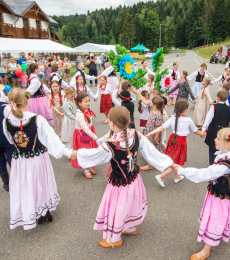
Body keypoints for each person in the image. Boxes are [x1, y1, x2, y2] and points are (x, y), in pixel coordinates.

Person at [74, 106, 174, 248]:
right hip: (134, 179)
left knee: (118, 208)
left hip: (119, 185)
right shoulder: (136, 134)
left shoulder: (110, 144)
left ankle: (115, 239)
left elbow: (94, 156)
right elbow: (152, 153)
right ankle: (130, 227)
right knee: (131, 203)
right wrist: (169, 162)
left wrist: (76, 153)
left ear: (112, 123)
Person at [3, 88, 74, 230]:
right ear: (26, 100)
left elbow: (11, 141)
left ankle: (32, 210)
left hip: (20, 161)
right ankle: (43, 211)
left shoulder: (7, 121)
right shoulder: (37, 119)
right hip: (37, 158)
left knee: (26, 185)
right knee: (40, 183)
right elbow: (51, 140)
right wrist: (67, 152)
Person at [173, 128, 230, 260]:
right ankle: (217, 234)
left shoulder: (225, 164)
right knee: (218, 218)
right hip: (222, 194)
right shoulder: (229, 155)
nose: (214, 139)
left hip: (221, 198)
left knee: (215, 219)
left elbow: (203, 174)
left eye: (217, 138)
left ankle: (206, 250)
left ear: (226, 144)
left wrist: (182, 171)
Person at [146, 99, 202, 187]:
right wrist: (202, 134)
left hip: (173, 140)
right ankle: (161, 176)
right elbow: (195, 131)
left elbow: (161, 128)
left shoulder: (173, 118)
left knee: (174, 160)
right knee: (177, 162)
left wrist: (149, 133)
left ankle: (177, 176)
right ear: (186, 110)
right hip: (181, 142)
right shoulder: (188, 120)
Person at [71, 93, 99, 179]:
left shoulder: (86, 110)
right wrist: (96, 137)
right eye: (85, 101)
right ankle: (86, 169)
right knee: (85, 152)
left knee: (90, 150)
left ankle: (89, 166)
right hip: (83, 135)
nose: (88, 103)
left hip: (88, 133)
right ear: (79, 103)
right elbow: (85, 128)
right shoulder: (79, 114)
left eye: (88, 101)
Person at [201, 90, 230, 165]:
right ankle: (220, 163)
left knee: (212, 149)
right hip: (224, 131)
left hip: (214, 131)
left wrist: (203, 130)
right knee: (222, 149)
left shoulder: (214, 107)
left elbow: (208, 119)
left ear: (218, 98)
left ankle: (212, 164)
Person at [140, 97, 164, 171]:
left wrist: (156, 138)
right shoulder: (152, 110)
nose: (149, 102)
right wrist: (137, 93)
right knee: (151, 148)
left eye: (151, 102)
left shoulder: (158, 115)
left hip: (153, 135)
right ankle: (157, 159)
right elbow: (144, 101)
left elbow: (158, 128)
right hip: (149, 132)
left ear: (155, 105)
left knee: (151, 148)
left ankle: (150, 165)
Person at [0, 84, 13, 191]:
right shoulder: (5, 107)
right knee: (11, 159)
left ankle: (6, 183)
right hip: (6, 138)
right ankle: (14, 180)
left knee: (0, 161)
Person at [61, 87, 76, 152]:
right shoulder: (65, 103)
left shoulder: (74, 100)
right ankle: (69, 150)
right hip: (69, 121)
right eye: (71, 96)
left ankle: (75, 148)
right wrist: (76, 118)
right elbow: (68, 113)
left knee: (75, 133)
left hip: (75, 119)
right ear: (67, 95)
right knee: (69, 134)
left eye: (74, 96)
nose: (73, 98)